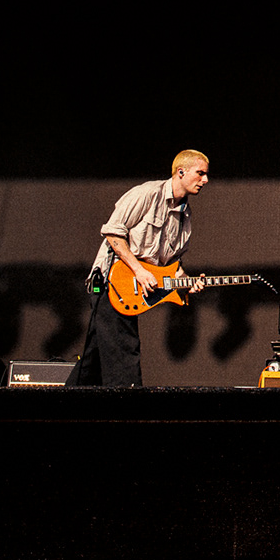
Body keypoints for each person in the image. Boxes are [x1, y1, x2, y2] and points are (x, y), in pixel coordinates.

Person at [66, 150, 211, 387]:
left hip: (130, 289)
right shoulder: (147, 194)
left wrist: (187, 283)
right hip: (111, 282)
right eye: (200, 173)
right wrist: (138, 271)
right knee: (125, 352)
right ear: (181, 172)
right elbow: (113, 232)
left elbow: (173, 265)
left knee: (92, 363)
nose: (205, 180)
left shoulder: (185, 216)